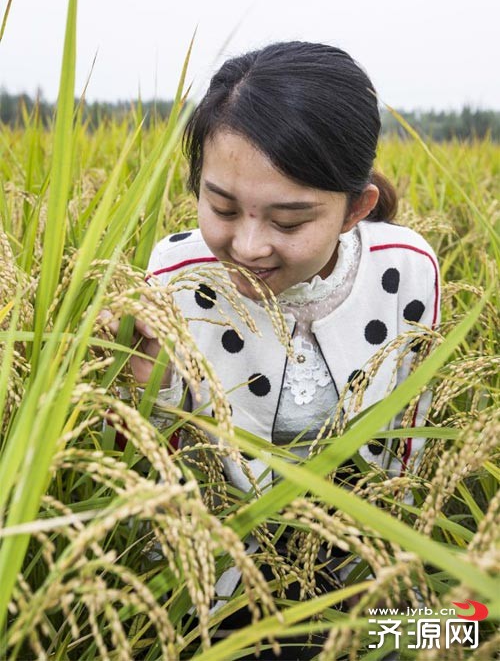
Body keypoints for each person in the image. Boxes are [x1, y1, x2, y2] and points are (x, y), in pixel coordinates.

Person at [117, 41, 440, 657]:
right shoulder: (177, 272)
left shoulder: (407, 268)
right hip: (224, 578)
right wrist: (145, 373)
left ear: (355, 211)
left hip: (362, 568)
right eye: (222, 206)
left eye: (289, 223)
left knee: (462, 624)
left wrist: (389, 580)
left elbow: (410, 448)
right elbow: (162, 462)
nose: (248, 245)